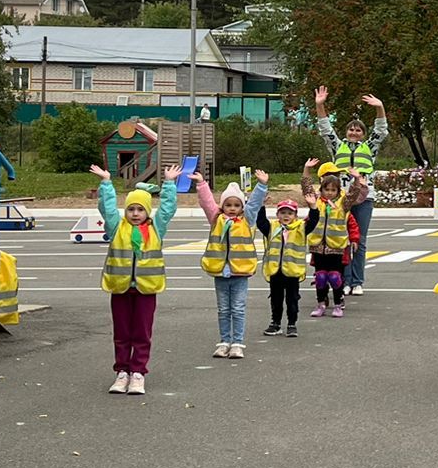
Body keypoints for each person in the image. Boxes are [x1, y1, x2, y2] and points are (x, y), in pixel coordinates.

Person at [90, 163, 182, 395]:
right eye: (131, 209)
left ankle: (138, 372)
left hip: (146, 289)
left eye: (140, 210)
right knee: (121, 333)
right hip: (120, 288)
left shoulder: (156, 229)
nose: (135, 214)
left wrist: (169, 184)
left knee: (142, 333)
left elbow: (168, 209)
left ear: (147, 211)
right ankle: (122, 372)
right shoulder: (116, 227)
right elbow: (107, 208)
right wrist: (106, 183)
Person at [313, 86, 389, 297]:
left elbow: (381, 131)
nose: (354, 132)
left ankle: (357, 281)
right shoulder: (338, 147)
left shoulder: (369, 148)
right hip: (341, 200)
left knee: (360, 241)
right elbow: (326, 130)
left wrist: (380, 108)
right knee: (342, 239)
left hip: (364, 198)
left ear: (363, 134)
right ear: (346, 132)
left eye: (358, 130)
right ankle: (344, 281)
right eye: (351, 129)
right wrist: (320, 105)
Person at [195, 169, 268, 361]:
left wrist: (261, 185)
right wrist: (202, 184)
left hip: (240, 272)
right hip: (220, 271)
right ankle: (224, 341)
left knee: (238, 308)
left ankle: (237, 343)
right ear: (223, 206)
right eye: (228, 205)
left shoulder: (247, 219)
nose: (232, 208)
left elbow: (254, 204)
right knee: (223, 309)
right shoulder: (216, 219)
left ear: (241, 207)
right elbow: (207, 203)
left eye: (236, 205)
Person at [301, 160, 365, 318]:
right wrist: (307, 169)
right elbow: (306, 187)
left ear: (338, 191)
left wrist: (357, 180)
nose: (329, 192)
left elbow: (354, 194)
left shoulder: (343, 204)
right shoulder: (315, 202)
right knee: (320, 277)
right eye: (326, 189)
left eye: (333, 190)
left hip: (336, 247)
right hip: (318, 246)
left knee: (335, 277)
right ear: (321, 189)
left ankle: (338, 304)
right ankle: (321, 304)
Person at [258, 197, 308, 339]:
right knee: (276, 299)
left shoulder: (300, 228)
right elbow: (260, 222)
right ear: (277, 214)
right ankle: (276, 323)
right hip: (275, 271)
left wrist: (313, 207)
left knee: (292, 300)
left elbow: (313, 222)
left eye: (290, 213)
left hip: (292, 272)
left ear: (295, 216)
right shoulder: (272, 228)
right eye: (283, 212)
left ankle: (292, 324)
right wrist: (261, 205)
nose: (286, 216)